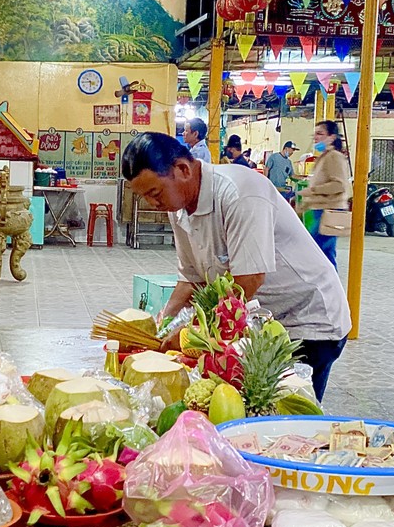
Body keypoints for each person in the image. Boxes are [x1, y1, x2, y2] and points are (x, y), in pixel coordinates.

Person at [122, 132, 351, 401]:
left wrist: (189, 333)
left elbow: (249, 281)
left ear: (182, 169)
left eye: (155, 193)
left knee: (284, 413)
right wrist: (162, 325)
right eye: (145, 197)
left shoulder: (239, 193)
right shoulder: (180, 208)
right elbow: (191, 279)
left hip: (307, 321)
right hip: (262, 323)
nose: (153, 204)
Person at [298, 121, 351, 271]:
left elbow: (339, 185)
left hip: (327, 212)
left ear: (332, 137)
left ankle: (329, 289)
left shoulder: (334, 157)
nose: (315, 137)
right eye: (314, 134)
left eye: (320, 134)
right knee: (321, 254)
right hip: (316, 210)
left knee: (322, 255)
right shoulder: (324, 157)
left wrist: (313, 190)